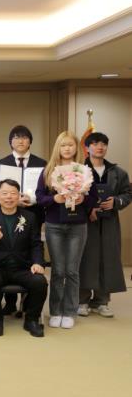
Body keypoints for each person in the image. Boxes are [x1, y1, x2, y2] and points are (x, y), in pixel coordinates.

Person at [36, 131, 96, 329]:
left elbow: (94, 198)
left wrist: (83, 199)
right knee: (58, 270)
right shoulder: (48, 170)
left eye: (71, 145)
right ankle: (55, 311)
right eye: (63, 145)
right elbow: (39, 197)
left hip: (78, 225)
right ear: (58, 148)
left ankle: (70, 311)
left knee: (72, 270)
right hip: (54, 225)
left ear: (76, 147)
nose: (67, 149)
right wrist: (54, 198)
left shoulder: (84, 170)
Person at [0, 125, 46, 315]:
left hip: (32, 214)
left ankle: (27, 304)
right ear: (10, 142)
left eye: (24, 137)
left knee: (26, 254)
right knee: (8, 251)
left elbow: (46, 191)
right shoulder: (2, 163)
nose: (20, 141)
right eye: (16, 137)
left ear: (30, 141)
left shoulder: (41, 163)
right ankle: (10, 302)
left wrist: (33, 200)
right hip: (5, 214)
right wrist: (12, 199)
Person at [0, 179, 47, 337]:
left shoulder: (30, 217)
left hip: (22, 267)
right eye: (5, 193)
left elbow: (36, 244)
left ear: (18, 196)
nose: (9, 197)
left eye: (13, 193)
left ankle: (32, 320)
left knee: (40, 281)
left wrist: (38, 262)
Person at [79, 132, 131, 318]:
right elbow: (72, 193)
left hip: (109, 221)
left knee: (107, 258)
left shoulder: (118, 172)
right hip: (86, 221)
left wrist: (116, 202)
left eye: (103, 144)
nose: (99, 147)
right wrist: (88, 208)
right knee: (85, 258)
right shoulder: (79, 170)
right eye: (95, 143)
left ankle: (102, 301)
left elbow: (127, 193)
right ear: (87, 147)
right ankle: (82, 300)